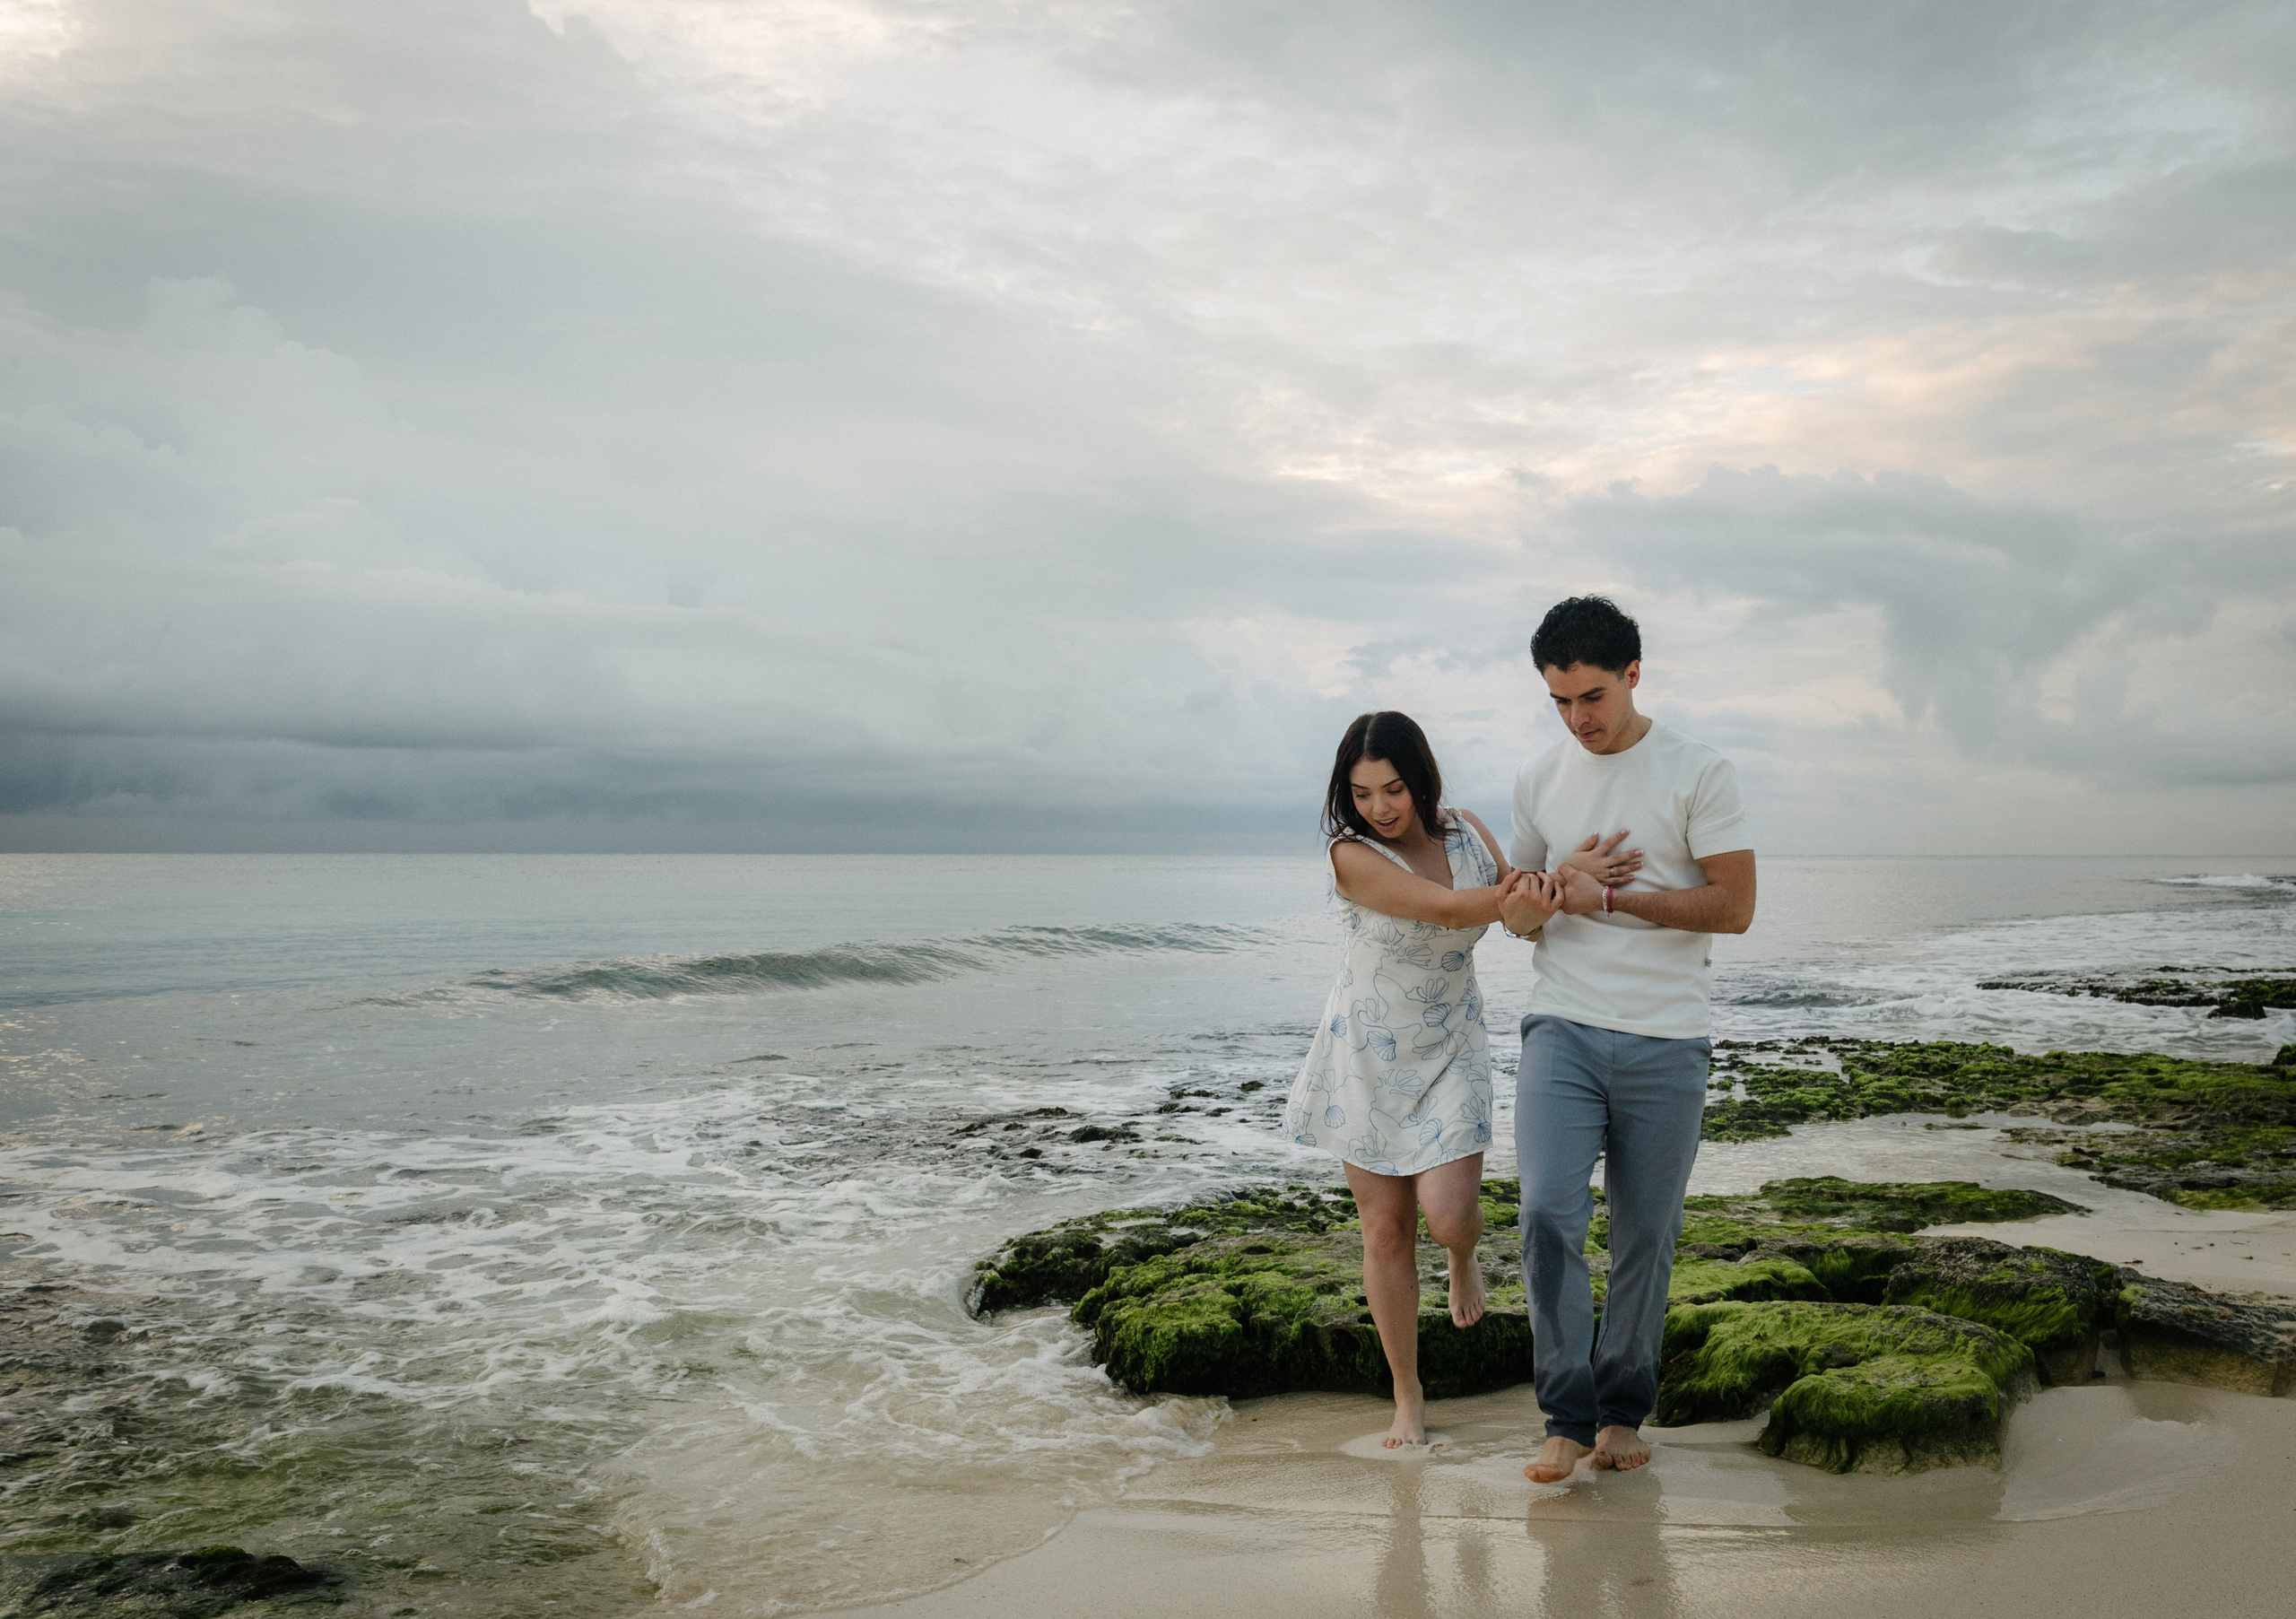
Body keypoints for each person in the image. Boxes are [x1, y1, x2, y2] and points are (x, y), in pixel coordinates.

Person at [1493, 596, 1756, 1484]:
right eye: (1561, 700)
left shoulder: (1698, 770)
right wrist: (1538, 901)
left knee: (1645, 1232)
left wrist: (1610, 898)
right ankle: (1563, 1414)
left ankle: (1620, 1411)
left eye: (1593, 696)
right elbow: (1522, 914)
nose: (1579, 719)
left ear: (1633, 675)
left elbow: (1734, 905)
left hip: (1666, 1036)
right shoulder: (1539, 776)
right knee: (1545, 1214)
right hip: (1561, 1025)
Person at [1283, 711, 1596, 1449]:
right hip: (1364, 1057)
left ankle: (1461, 1259)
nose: (1380, 807)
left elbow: (1521, 924)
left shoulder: (1466, 832)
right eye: (1362, 793)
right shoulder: (1350, 856)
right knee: (1385, 1228)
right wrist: (1554, 878)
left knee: (1449, 1215)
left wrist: (1547, 894)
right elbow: (1451, 909)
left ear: (1421, 780)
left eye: (1393, 788)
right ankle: (1407, 1394)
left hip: (1452, 1046)